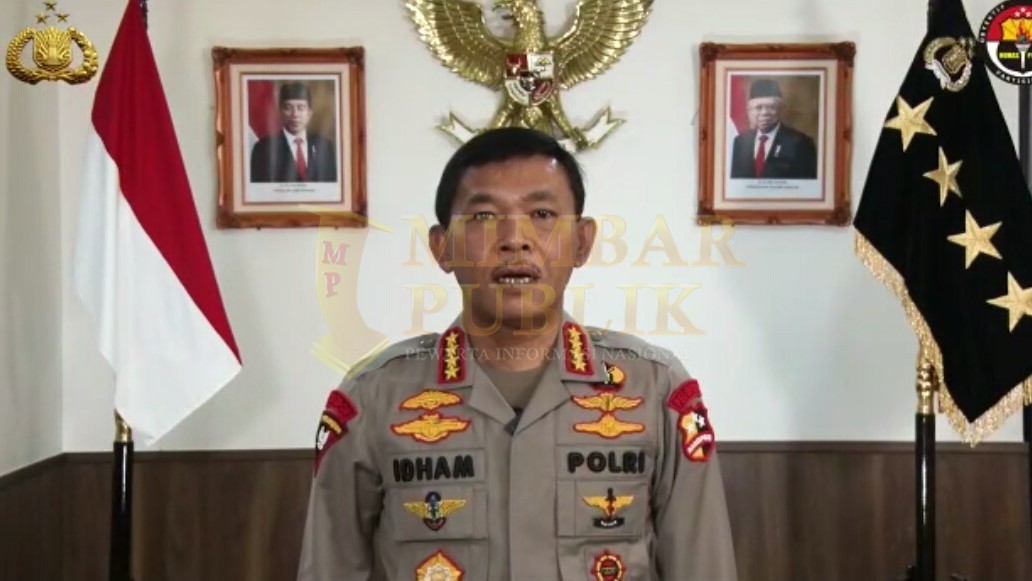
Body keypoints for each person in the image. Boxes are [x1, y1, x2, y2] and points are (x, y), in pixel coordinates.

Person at [296, 127, 739, 581]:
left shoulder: (655, 390)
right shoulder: (374, 398)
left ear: (582, 242)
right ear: (442, 247)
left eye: (542, 214)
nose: (515, 239)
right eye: (484, 216)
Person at [729, 78, 818, 180]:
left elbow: (807, 185)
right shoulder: (740, 142)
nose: (764, 113)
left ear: (780, 109)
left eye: (771, 107)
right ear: (749, 111)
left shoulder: (801, 143)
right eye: (758, 107)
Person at [250, 82, 338, 183]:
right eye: (288, 108)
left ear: (309, 113)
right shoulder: (263, 149)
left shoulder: (325, 146)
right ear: (280, 112)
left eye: (301, 108)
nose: (295, 114)